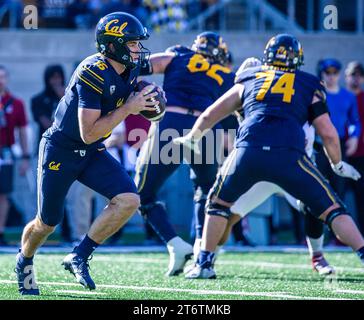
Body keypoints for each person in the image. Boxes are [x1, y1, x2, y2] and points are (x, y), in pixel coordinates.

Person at [175, 34, 364, 279]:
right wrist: (337, 164)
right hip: (289, 160)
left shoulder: (251, 79)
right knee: (332, 209)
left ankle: (205, 262)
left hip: (251, 156)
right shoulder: (307, 84)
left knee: (217, 205)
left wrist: (192, 136)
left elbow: (212, 113)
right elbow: (328, 133)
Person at [15, 12, 160, 295]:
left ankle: (79, 255)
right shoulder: (92, 72)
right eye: (132, 43)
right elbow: (88, 132)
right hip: (63, 148)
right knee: (47, 223)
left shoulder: (131, 65)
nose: (138, 49)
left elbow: (162, 63)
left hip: (92, 151)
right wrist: (130, 108)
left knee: (129, 200)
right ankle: (25, 260)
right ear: (113, 45)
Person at [135, 31, 234, 276]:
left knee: (142, 193)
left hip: (172, 123)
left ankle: (175, 243)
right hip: (206, 128)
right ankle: (202, 252)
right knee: (206, 191)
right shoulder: (225, 73)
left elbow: (142, 65)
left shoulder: (179, 54)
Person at [315, 58, 361, 200]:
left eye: (334, 72)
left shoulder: (348, 96)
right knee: (317, 189)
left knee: (339, 190)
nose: (331, 76)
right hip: (318, 144)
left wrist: (354, 137)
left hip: (338, 145)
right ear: (322, 74)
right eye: (328, 72)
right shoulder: (317, 95)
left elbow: (354, 121)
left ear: (339, 74)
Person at [0, 65, 30, 246]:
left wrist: (25, 156)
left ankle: (1, 231)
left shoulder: (15, 103)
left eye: (3, 77)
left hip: (6, 152)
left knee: (3, 194)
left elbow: (23, 131)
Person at [346, 61, 364, 234]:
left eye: (359, 75)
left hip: (361, 156)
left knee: (361, 197)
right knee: (339, 195)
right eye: (352, 74)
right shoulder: (342, 96)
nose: (355, 79)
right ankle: (341, 236)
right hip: (341, 155)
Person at [31, 65, 65, 144]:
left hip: (66, 144)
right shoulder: (38, 100)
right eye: (53, 78)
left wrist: (63, 98)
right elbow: (47, 125)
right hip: (47, 143)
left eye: (58, 78)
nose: (56, 82)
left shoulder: (69, 98)